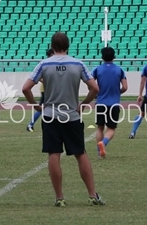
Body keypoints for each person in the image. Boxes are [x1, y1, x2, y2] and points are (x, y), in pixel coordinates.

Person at [21, 32, 105, 207]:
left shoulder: (44, 64)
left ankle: (59, 198)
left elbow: (26, 88)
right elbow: (95, 88)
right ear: (68, 45)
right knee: (80, 153)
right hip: (72, 116)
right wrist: (83, 104)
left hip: (51, 115)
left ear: (52, 46)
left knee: (54, 154)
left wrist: (36, 106)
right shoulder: (78, 63)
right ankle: (92, 195)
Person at [92, 47, 127, 158]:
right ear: (114, 57)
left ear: (102, 57)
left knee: (100, 127)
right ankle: (104, 143)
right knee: (111, 129)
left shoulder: (97, 70)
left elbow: (91, 85)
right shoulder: (119, 70)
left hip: (101, 102)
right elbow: (125, 87)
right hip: (114, 103)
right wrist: (117, 93)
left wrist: (97, 94)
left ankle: (99, 151)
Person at [26, 49, 54, 132]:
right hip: (46, 90)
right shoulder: (45, 64)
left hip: (51, 90)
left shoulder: (51, 64)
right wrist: (46, 81)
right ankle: (30, 124)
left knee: (49, 108)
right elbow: (39, 78)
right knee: (42, 108)